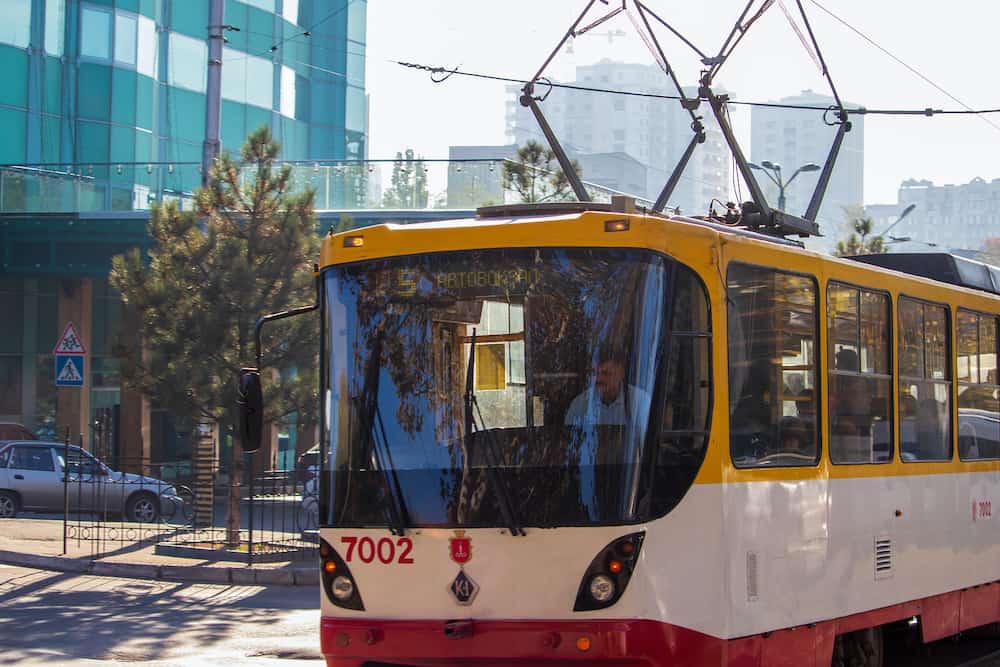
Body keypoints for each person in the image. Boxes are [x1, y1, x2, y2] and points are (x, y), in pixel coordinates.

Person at [564, 351, 651, 427]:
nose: (598, 379)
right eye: (594, 373)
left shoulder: (641, 402)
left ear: (621, 373)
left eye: (606, 373)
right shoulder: (579, 404)